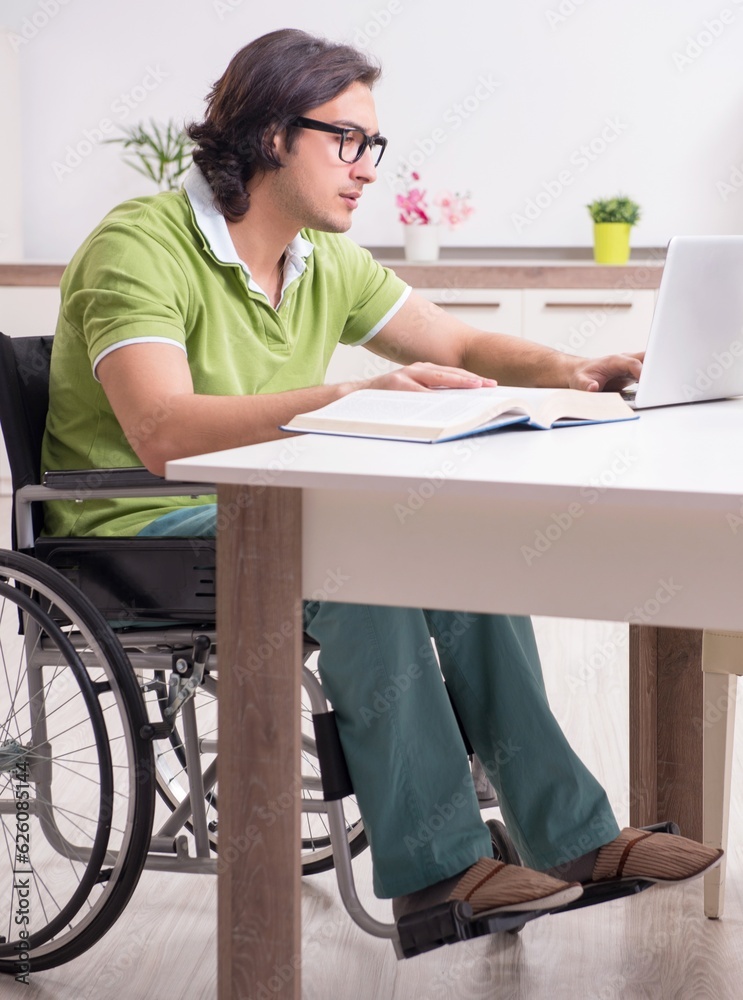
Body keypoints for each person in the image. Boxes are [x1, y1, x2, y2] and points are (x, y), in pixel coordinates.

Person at [42, 28, 721, 919]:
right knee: (356, 559)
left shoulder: (321, 260)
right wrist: (342, 396)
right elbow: (163, 434)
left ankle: (571, 837)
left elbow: (461, 342)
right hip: (134, 531)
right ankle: (440, 873)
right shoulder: (141, 245)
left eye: (375, 146)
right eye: (348, 141)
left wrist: (571, 370)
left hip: (264, 508)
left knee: (455, 544)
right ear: (271, 134)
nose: (368, 167)